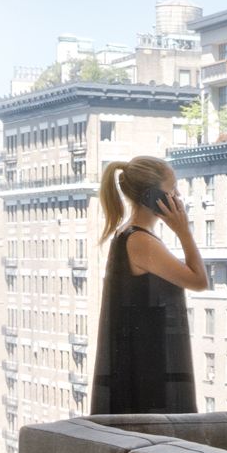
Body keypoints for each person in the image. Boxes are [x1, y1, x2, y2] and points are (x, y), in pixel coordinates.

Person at [89, 155, 208, 415]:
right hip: (148, 373)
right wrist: (184, 232)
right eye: (172, 189)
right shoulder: (140, 241)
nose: (178, 196)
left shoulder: (129, 235)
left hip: (144, 365)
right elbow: (199, 281)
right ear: (152, 196)